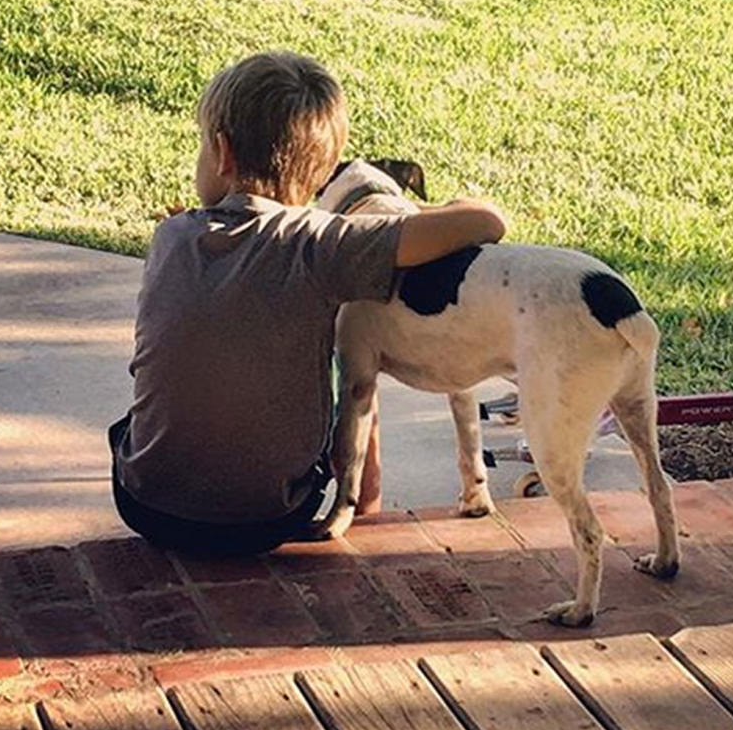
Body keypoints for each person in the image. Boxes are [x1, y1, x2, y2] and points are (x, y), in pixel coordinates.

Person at [109, 51, 506, 556]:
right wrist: (420, 213)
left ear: (223, 154)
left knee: (136, 422)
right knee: (360, 350)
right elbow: (487, 223)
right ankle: (367, 505)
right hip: (273, 515)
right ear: (320, 177)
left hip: (147, 507)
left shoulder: (170, 236)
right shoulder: (324, 243)